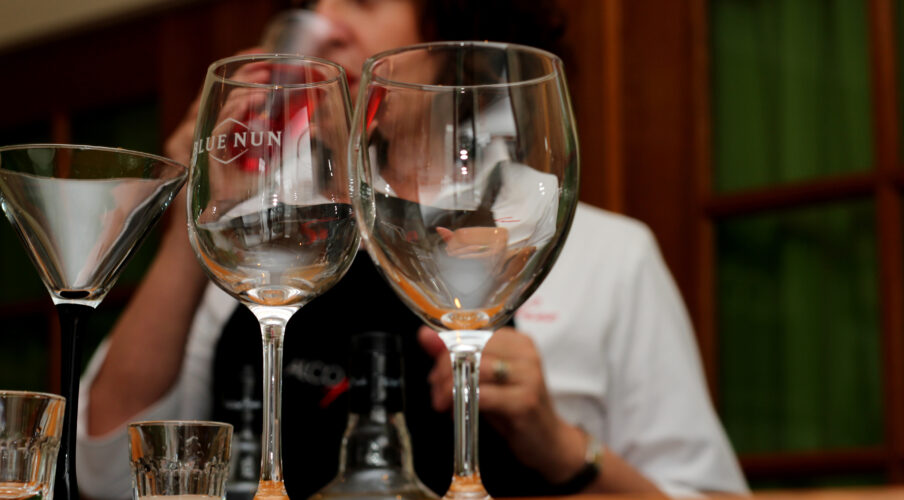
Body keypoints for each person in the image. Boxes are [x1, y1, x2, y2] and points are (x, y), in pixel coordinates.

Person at [76, 0, 749, 498]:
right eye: (312, 4)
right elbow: (105, 470)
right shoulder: (266, 242)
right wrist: (203, 216)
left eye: (363, 1)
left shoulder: (604, 256)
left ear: (456, 39)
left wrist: (564, 449)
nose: (324, 22)